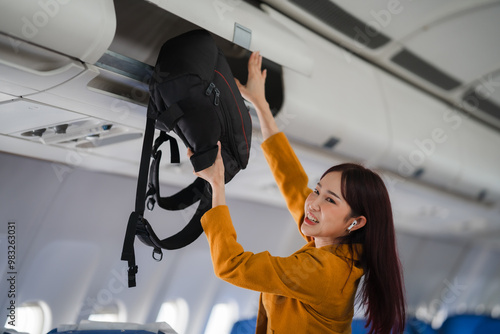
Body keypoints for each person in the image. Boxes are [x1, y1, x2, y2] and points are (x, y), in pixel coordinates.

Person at [188, 52, 406, 333]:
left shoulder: (325, 272)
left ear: (355, 222)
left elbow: (231, 265)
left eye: (330, 199)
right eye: (318, 190)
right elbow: (292, 182)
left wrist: (217, 184)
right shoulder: (334, 245)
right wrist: (261, 105)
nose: (313, 203)